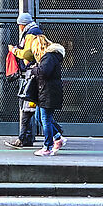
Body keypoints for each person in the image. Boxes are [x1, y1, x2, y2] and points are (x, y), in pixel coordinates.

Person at [25, 26, 67, 155]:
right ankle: (58, 137)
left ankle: (47, 147)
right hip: (46, 92)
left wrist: (33, 69)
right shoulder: (52, 57)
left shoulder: (48, 57)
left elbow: (44, 72)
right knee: (39, 116)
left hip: (47, 92)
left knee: (45, 118)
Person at [5, 27, 47, 149]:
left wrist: (14, 50)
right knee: (36, 114)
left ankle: (56, 137)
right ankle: (24, 138)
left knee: (33, 113)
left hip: (34, 84)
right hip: (37, 85)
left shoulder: (31, 36)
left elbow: (26, 55)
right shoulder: (47, 57)